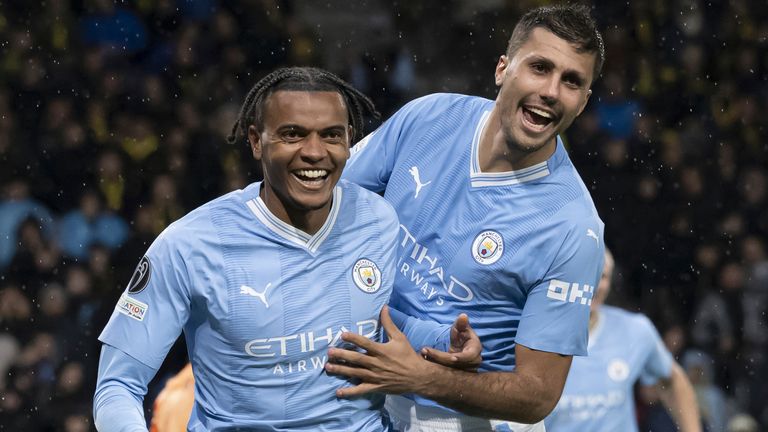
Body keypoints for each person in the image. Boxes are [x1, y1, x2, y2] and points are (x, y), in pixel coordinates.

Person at [93, 67, 480, 431]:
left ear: (350, 139)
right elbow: (117, 386)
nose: (314, 152)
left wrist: (441, 339)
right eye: (293, 134)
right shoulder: (188, 245)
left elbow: (374, 322)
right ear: (256, 141)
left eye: (331, 134)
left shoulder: (377, 218)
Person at [325, 4, 607, 431]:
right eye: (540, 67)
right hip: (368, 390)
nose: (551, 90)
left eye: (571, 81)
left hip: (463, 419)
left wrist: (423, 376)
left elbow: (537, 395)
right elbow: (330, 208)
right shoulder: (429, 117)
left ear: (583, 102)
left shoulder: (573, 227)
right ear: (502, 69)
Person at [544, 250, 702, 431]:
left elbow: (672, 381)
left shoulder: (635, 330)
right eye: (585, 273)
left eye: (602, 276)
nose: (593, 284)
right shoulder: (533, 336)